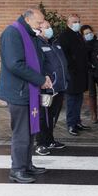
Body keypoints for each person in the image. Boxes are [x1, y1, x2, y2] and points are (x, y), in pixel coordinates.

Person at [0, 7, 53, 183]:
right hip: (19, 92)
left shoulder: (30, 34)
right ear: (28, 19)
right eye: (39, 22)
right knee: (21, 132)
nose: (42, 25)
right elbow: (15, 64)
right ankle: (17, 170)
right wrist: (40, 80)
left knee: (30, 131)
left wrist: (45, 77)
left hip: (30, 90)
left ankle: (27, 164)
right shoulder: (12, 33)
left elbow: (38, 60)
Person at [35, 20, 69, 155]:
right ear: (39, 29)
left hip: (59, 87)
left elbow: (62, 63)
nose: (50, 29)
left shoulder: (55, 43)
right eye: (47, 27)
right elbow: (37, 65)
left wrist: (67, 79)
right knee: (43, 116)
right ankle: (40, 143)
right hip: (47, 89)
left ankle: (50, 140)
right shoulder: (37, 43)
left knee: (53, 115)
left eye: (50, 26)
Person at [58, 14, 90, 136]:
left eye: (78, 21)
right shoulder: (64, 36)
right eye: (74, 21)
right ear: (68, 23)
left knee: (79, 99)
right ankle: (71, 124)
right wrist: (72, 68)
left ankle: (77, 122)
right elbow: (64, 56)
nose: (77, 23)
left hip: (80, 74)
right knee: (71, 100)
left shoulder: (78, 35)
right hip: (72, 74)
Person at [80, 25, 98, 123]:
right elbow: (83, 59)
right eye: (86, 34)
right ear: (83, 36)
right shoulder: (82, 45)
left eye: (90, 32)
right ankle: (93, 114)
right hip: (90, 71)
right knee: (92, 93)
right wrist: (91, 65)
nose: (89, 35)